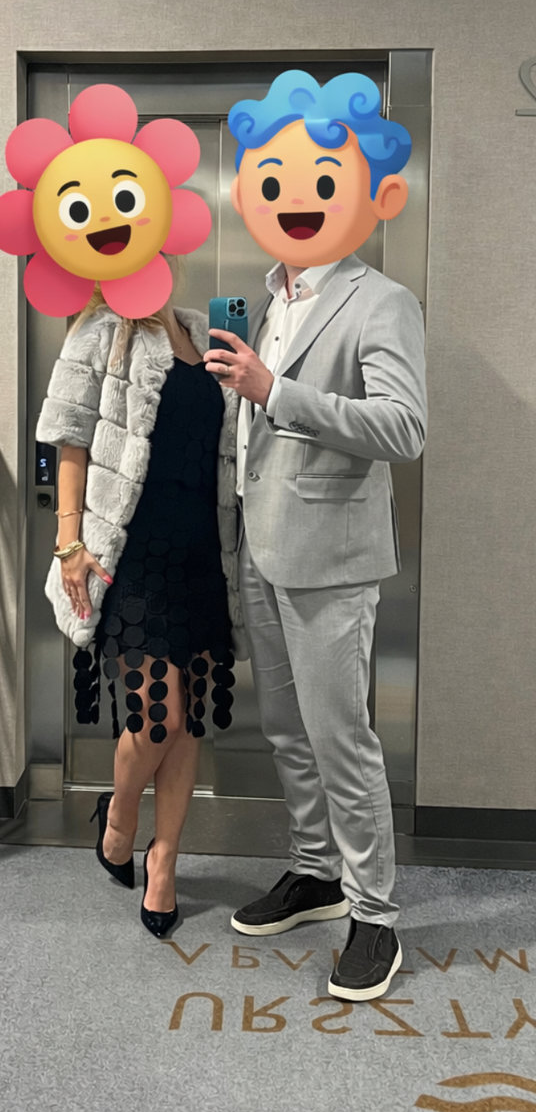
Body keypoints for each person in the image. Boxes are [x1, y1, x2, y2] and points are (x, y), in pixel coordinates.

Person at [205, 71, 427, 1001]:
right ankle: (315, 871)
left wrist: (275, 391)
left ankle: (375, 912)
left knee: (342, 737)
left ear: (370, 194)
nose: (296, 198)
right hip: (259, 545)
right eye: (276, 180)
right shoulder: (270, 298)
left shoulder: (381, 300)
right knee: (286, 729)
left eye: (321, 181)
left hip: (331, 559)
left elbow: (404, 428)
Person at [36, 261, 243, 938]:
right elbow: (69, 439)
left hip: (202, 555)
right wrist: (69, 542)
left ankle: (165, 859)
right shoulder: (101, 330)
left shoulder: (201, 331)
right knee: (158, 717)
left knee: (188, 723)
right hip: (131, 556)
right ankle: (120, 816)